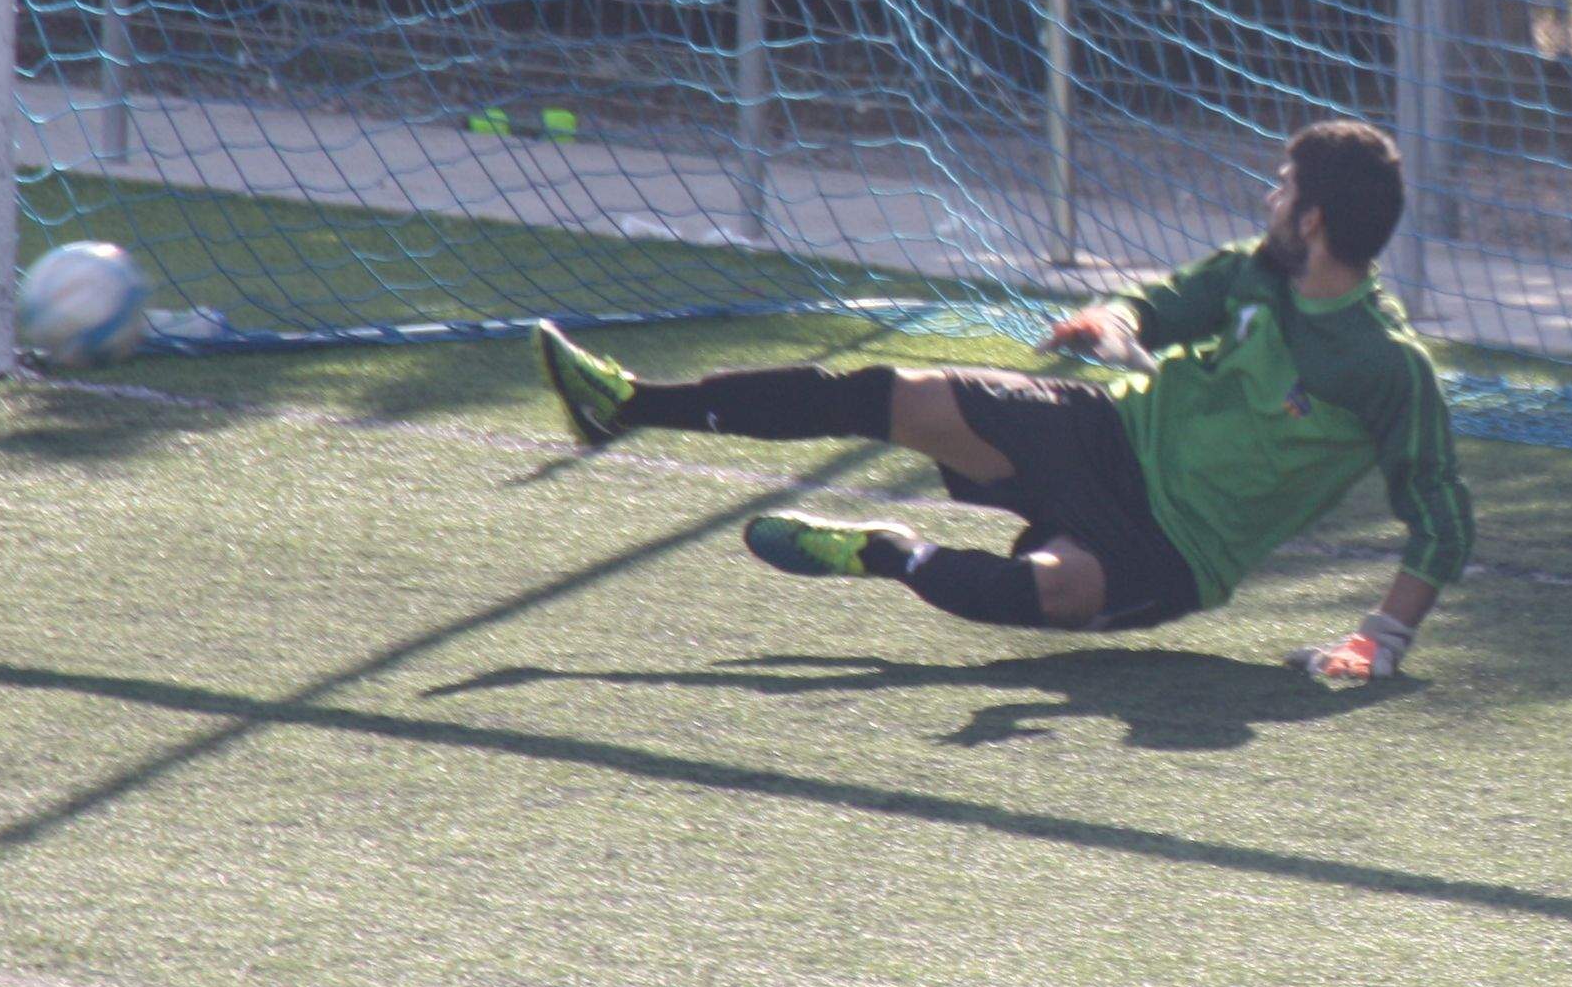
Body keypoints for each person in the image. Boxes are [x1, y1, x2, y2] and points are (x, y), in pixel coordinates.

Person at [534, 119, 1468, 681]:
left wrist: (1382, 638)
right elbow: (1162, 303)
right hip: (1106, 431)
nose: (1267, 197)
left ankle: (888, 555)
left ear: (1313, 221)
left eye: (1283, 187)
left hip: (1175, 551)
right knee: (900, 393)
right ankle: (629, 404)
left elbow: (1439, 517)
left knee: (1054, 590)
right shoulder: (1257, 271)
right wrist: (1109, 318)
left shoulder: (1388, 366)